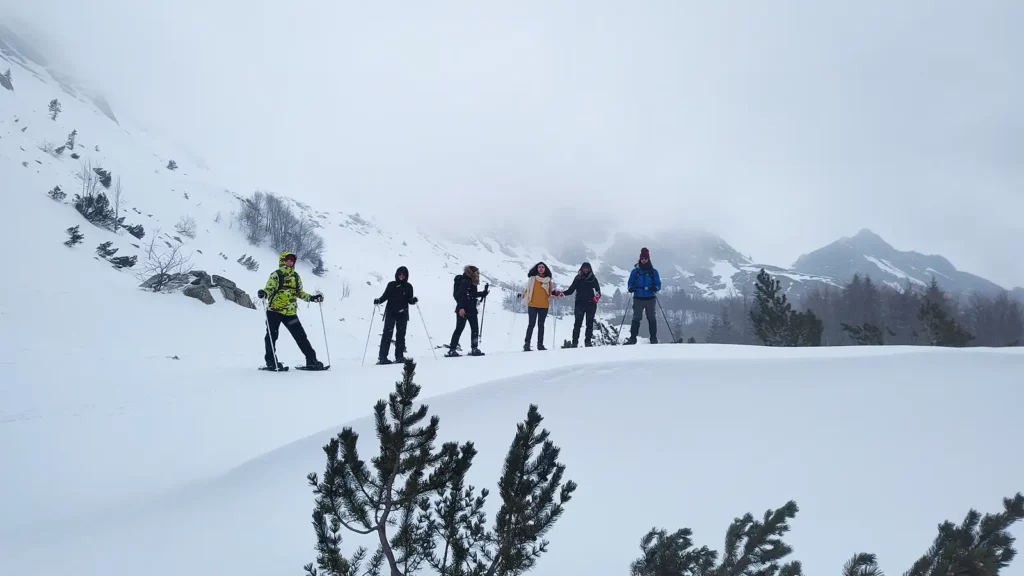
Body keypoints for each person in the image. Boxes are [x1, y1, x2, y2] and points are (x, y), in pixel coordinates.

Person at [257, 251, 325, 369]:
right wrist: (264, 293)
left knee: (301, 336)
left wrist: (312, 298)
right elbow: (269, 289)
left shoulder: (296, 276)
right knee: (271, 337)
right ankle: (271, 362)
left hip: (290, 313)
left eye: (292, 260)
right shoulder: (276, 275)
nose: (289, 262)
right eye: (287, 260)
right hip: (274, 311)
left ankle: (311, 361)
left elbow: (299, 293)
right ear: (282, 261)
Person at [373, 265, 417, 364]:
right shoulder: (391, 285)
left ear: (406, 276)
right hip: (390, 313)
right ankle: (383, 357)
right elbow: (385, 296)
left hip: (403, 314)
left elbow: (410, 300)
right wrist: (379, 300)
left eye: (403, 274)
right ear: (396, 275)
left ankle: (399, 356)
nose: (401, 276)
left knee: (401, 335)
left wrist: (413, 300)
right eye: (399, 274)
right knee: (387, 335)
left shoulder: (409, 287)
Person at [447, 265, 489, 357]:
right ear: (472, 273)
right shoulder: (465, 281)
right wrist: (461, 308)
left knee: (466, 329)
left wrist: (482, 293)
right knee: (465, 329)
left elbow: (471, 294)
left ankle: (454, 349)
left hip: (470, 309)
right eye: (477, 272)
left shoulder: (471, 282)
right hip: (465, 309)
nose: (478, 274)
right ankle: (471, 349)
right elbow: (458, 295)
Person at [518, 261, 559, 351]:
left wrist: (553, 295)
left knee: (541, 325)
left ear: (545, 269)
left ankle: (540, 345)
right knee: (531, 324)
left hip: (544, 305)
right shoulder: (532, 278)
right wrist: (522, 294)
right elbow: (528, 289)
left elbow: (550, 292)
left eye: (542, 267)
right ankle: (527, 344)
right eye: (539, 267)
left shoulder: (548, 280)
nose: (541, 268)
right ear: (537, 268)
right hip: (532, 304)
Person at [626, 247, 661, 344]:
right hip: (638, 298)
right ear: (640, 259)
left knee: (651, 317)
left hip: (650, 298)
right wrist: (630, 288)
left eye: (645, 258)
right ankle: (633, 338)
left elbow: (658, 283)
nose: (643, 260)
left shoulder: (653, 272)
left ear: (648, 259)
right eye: (642, 258)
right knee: (637, 317)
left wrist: (656, 288)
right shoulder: (635, 271)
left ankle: (653, 338)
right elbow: (630, 283)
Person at [561, 261, 601, 347]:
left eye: (587, 268)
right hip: (580, 304)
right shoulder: (578, 278)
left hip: (591, 304)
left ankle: (588, 342)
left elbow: (598, 291)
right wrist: (561, 293)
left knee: (589, 324)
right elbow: (571, 290)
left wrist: (597, 297)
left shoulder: (593, 279)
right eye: (584, 268)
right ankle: (575, 343)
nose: (585, 270)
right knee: (577, 324)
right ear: (581, 269)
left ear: (590, 269)